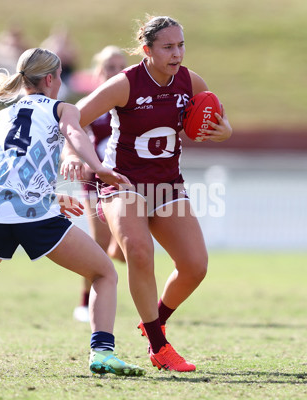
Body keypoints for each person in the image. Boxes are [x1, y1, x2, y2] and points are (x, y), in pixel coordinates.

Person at [0, 47, 145, 377]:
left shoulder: (1, 117)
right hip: (35, 218)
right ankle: (102, 352)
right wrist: (98, 167)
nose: (61, 82)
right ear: (50, 79)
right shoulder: (61, 108)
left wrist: (53, 197)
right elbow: (75, 133)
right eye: (60, 76)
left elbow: (11, 168)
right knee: (105, 273)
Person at [68, 15, 233, 372]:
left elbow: (219, 118)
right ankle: (160, 346)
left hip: (167, 184)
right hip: (122, 183)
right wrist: (74, 156)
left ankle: (152, 322)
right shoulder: (124, 84)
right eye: (168, 47)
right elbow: (72, 119)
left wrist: (224, 130)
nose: (178, 53)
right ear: (147, 50)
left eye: (181, 45)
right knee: (140, 253)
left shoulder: (190, 81)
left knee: (195, 267)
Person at [70, 46, 127, 323]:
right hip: (96, 181)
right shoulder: (93, 103)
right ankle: (84, 302)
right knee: (99, 246)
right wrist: (75, 158)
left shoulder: (133, 99)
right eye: (110, 67)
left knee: (128, 247)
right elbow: (71, 133)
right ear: (99, 72)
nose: (116, 72)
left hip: (128, 180)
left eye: (121, 66)